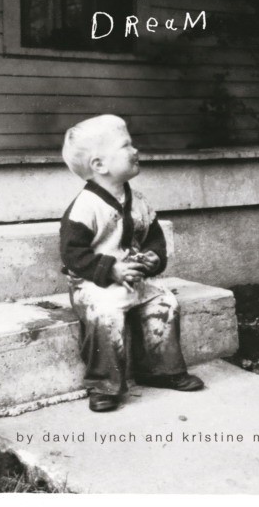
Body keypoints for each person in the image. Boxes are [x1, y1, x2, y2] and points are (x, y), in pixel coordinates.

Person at [60, 114, 204, 412]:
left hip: (134, 281)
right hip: (94, 284)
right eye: (126, 145)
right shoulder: (86, 207)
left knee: (164, 303)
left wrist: (154, 258)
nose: (135, 150)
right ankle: (104, 384)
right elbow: (73, 254)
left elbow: (154, 237)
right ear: (100, 165)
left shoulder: (137, 200)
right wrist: (109, 269)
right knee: (106, 314)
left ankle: (160, 370)